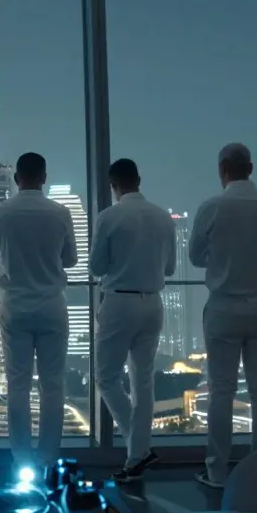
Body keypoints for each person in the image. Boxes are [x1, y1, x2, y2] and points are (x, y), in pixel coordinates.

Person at [188, 143, 257, 489]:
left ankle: (217, 473)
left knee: (221, 392)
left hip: (224, 307)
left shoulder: (212, 207)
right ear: (251, 167)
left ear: (222, 170)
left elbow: (195, 257)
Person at [0, 152, 77, 474]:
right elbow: (71, 259)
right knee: (53, 385)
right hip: (52, 305)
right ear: (44, 177)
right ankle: (48, 457)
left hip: (15, 306)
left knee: (18, 385)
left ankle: (21, 458)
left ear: (16, 178)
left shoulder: (0, 212)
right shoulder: (60, 212)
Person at [89, 158, 175, 482]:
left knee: (107, 377)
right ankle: (138, 452)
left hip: (119, 302)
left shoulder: (109, 217)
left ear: (114, 186)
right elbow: (169, 269)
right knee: (144, 380)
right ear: (139, 179)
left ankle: (136, 448)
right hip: (153, 302)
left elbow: (97, 267)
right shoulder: (163, 217)